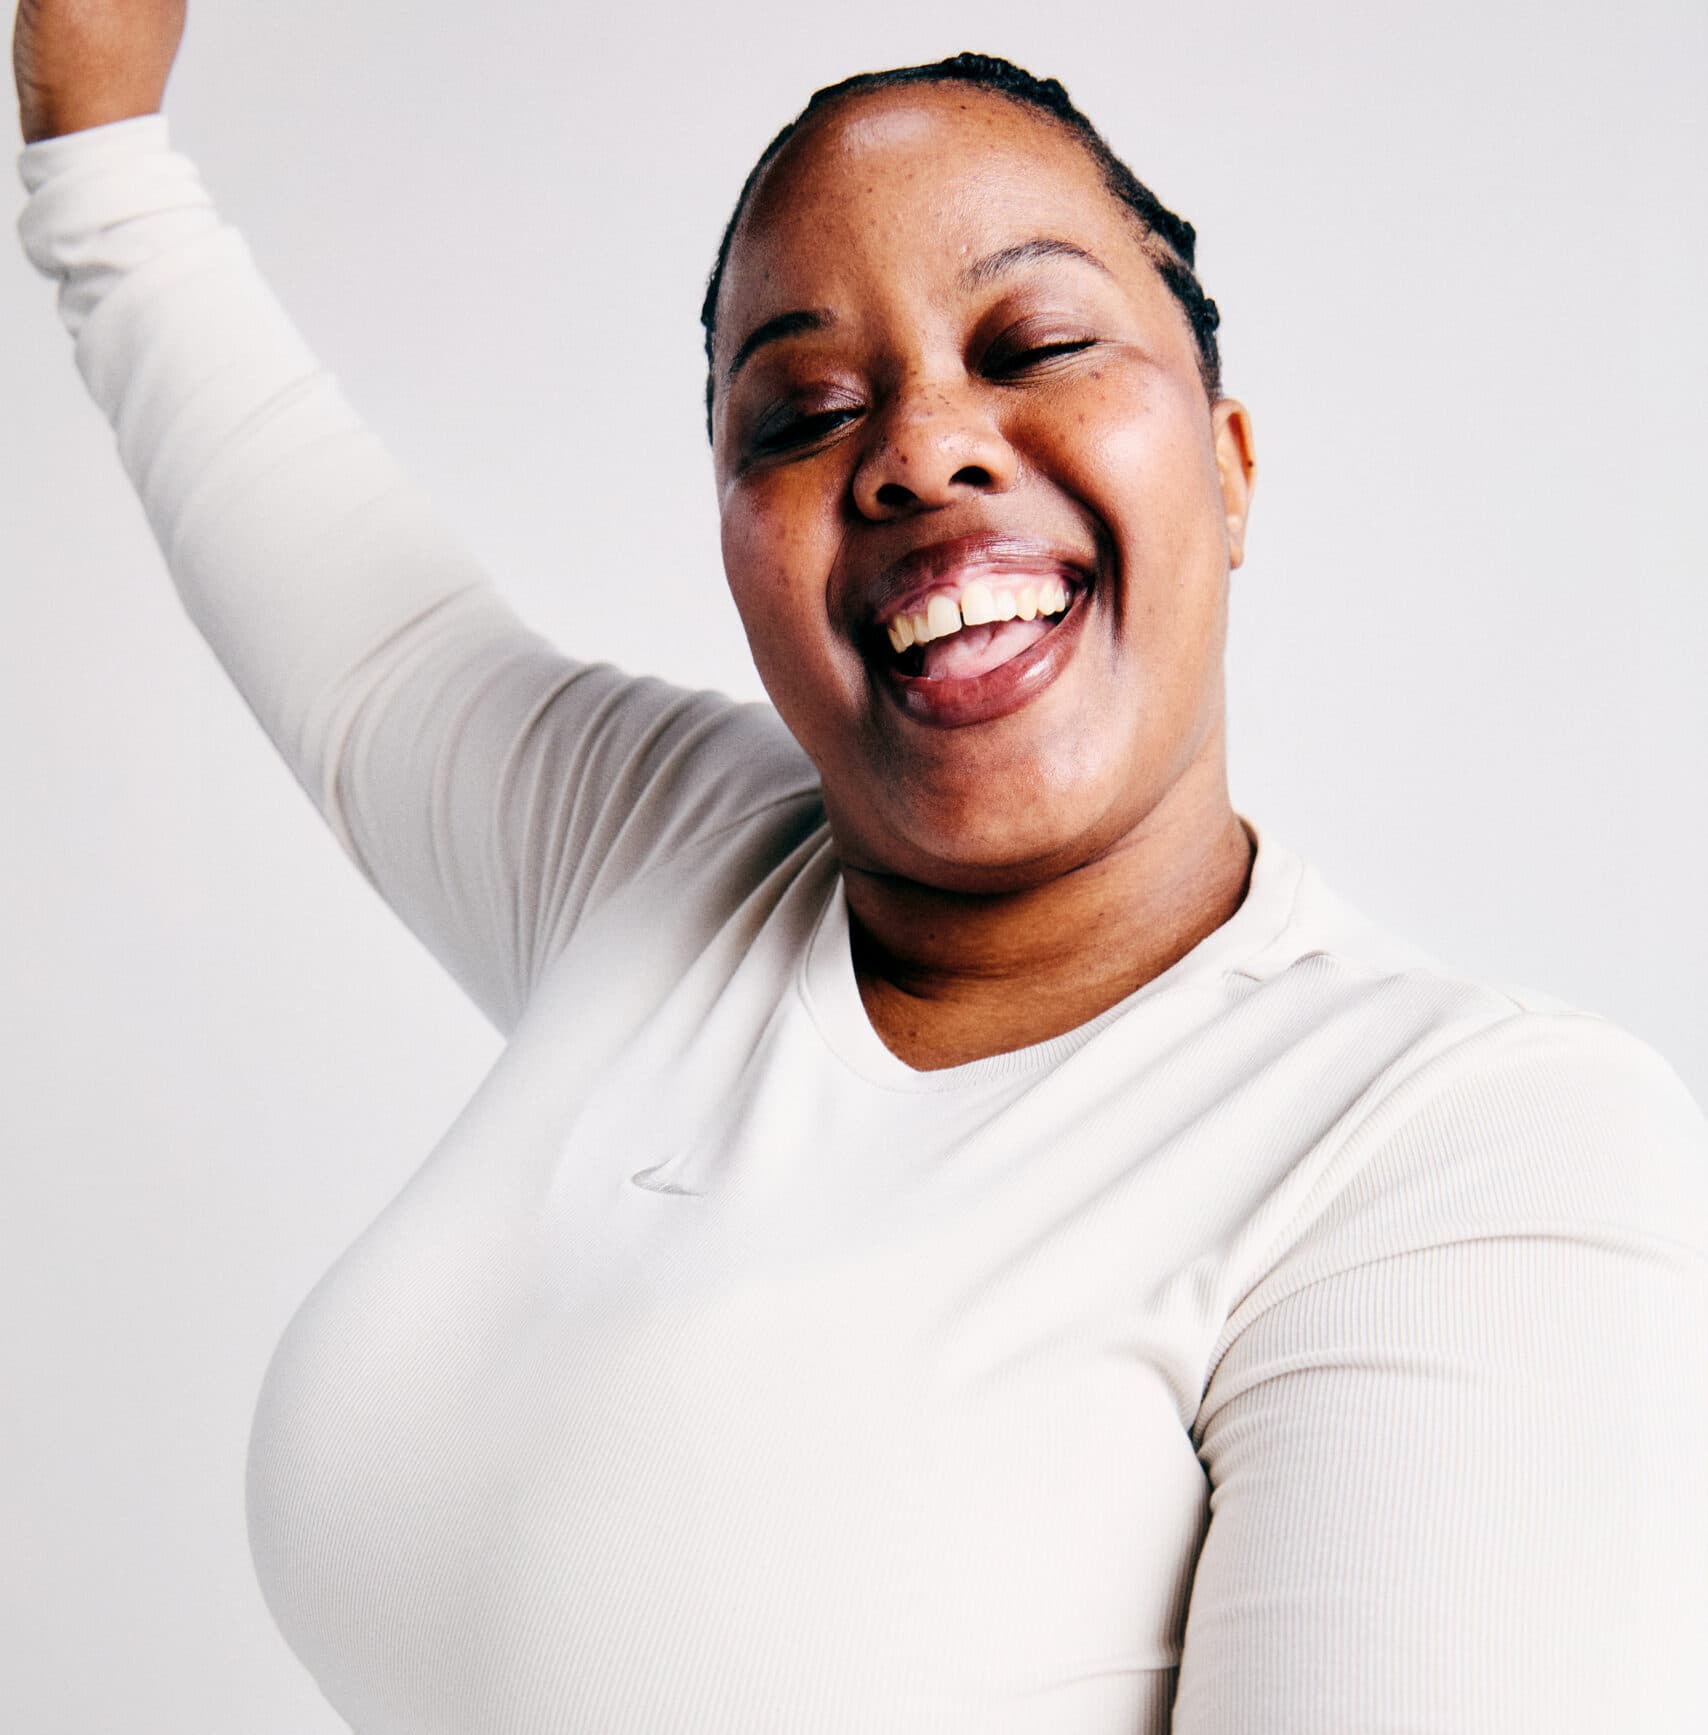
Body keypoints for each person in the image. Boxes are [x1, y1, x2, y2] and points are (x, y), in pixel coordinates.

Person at [15, 5, 1708, 1732]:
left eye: (1036, 341)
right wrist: (95, 147)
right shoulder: (671, 855)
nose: (918, 450)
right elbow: (354, 619)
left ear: (1228, 469)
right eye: (806, 410)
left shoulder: (1460, 1149)